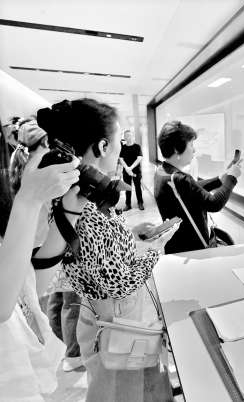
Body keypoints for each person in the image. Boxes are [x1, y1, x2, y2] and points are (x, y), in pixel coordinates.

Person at [34, 99, 177, 402]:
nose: (121, 149)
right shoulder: (82, 207)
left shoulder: (83, 196)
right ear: (102, 146)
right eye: (118, 142)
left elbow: (103, 250)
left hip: (116, 322)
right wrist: (154, 249)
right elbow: (117, 283)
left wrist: (132, 235)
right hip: (116, 328)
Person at [0, 120, 80, 401]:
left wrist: (71, 211)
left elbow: (25, 290)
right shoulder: (27, 189)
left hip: (18, 373)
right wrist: (30, 199)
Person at [154, 121, 241, 254]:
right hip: (192, 250)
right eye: (191, 145)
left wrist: (220, 179)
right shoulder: (180, 178)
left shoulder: (162, 171)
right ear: (177, 149)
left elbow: (191, 189)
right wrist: (232, 178)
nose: (194, 150)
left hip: (176, 246)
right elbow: (214, 204)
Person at [119, 129, 144, 210]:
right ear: (124, 137)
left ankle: (140, 203)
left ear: (132, 136)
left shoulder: (137, 147)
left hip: (136, 171)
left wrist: (130, 168)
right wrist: (127, 168)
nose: (128, 137)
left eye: (129, 135)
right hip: (126, 171)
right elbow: (121, 159)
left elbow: (139, 158)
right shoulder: (123, 147)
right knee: (127, 188)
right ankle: (128, 204)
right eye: (126, 136)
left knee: (138, 187)